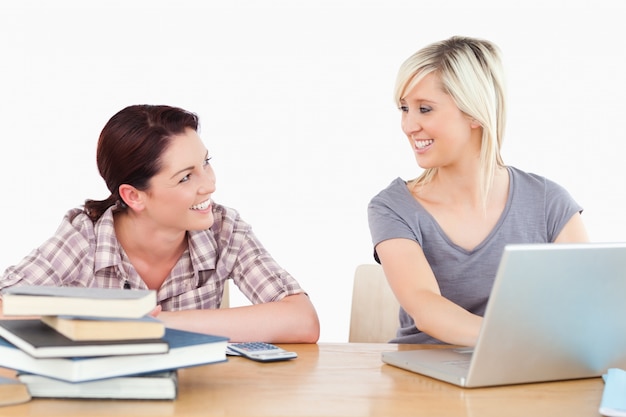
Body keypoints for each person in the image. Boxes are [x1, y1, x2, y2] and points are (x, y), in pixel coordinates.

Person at [0, 104, 320, 343]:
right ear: (134, 196)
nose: (209, 185)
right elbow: (5, 306)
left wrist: (154, 323)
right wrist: (99, 321)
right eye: (185, 177)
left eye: (205, 163)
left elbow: (302, 320)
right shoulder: (86, 235)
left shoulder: (224, 229)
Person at [367, 36, 589, 346]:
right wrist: (522, 342)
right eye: (405, 109)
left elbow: (587, 304)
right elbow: (425, 306)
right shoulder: (392, 207)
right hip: (423, 379)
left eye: (425, 109)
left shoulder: (549, 202)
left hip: (525, 371)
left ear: (474, 113)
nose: (408, 125)